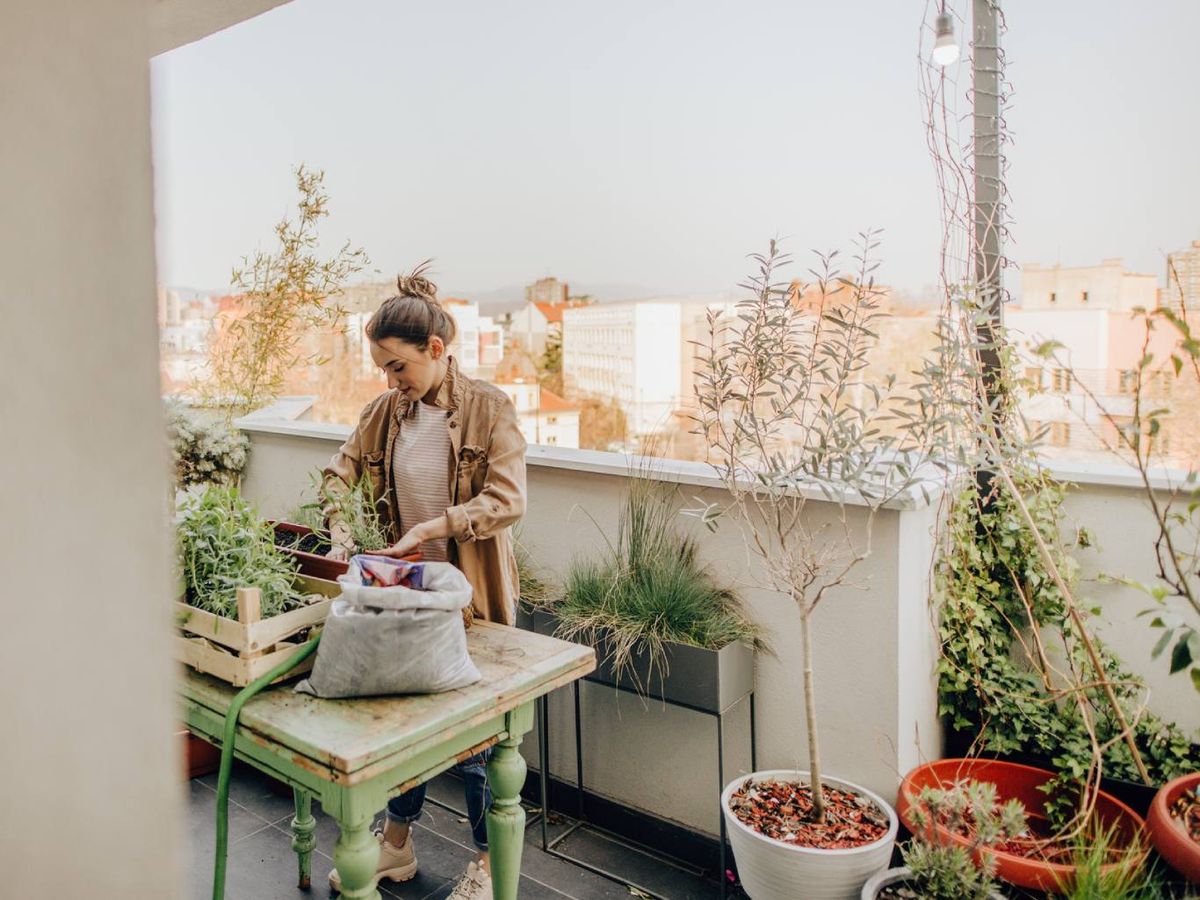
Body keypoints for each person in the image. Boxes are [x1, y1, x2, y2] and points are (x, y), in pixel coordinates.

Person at [322, 263, 526, 899]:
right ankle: (397, 848)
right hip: (408, 601)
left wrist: (438, 524)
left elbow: (508, 498)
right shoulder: (384, 413)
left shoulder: (490, 408)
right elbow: (337, 474)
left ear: (435, 350)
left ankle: (492, 866)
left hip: (473, 604)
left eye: (398, 366)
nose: (391, 380)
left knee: (476, 742)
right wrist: (340, 527)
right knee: (411, 727)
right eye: (383, 369)